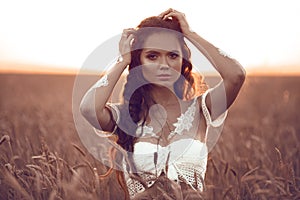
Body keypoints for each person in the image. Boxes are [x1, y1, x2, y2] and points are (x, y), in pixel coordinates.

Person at [80, 8, 245, 199]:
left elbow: (236, 75)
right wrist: (122, 59)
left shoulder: (201, 109)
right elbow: (88, 108)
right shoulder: (126, 117)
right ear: (138, 61)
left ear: (182, 59)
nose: (164, 64)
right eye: (152, 56)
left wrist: (190, 34)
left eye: (172, 55)